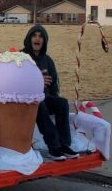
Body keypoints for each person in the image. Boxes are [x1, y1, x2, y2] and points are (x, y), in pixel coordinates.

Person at [22, 24, 78, 160]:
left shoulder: (47, 60)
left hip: (45, 97)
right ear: (29, 38)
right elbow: (17, 82)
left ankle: (64, 144)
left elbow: (53, 86)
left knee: (62, 103)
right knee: (40, 104)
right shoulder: (21, 57)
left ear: (44, 41)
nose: (37, 38)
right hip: (27, 99)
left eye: (41, 36)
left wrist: (54, 99)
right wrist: (37, 79)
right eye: (34, 35)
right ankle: (54, 147)